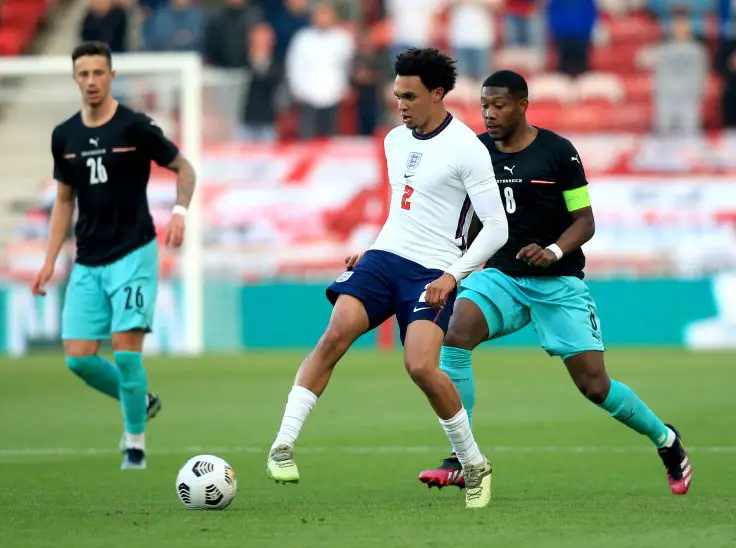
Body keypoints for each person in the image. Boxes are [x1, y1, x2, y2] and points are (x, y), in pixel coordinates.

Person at [417, 70, 692, 496]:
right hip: (503, 277)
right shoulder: (475, 152)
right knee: (454, 337)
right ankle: (462, 457)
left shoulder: (560, 153)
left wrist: (553, 252)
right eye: (485, 106)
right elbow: (464, 219)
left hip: (558, 283)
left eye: (499, 105)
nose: (489, 114)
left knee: (594, 386)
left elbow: (585, 221)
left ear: (523, 105)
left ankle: (666, 440)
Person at [265, 48, 509, 509]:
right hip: (384, 257)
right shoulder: (395, 141)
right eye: (397, 95)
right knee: (334, 335)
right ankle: (282, 444)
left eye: (410, 96)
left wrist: (453, 276)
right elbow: (405, 210)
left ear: (438, 94)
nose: (401, 105)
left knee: (420, 365)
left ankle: (473, 463)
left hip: (432, 270)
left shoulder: (468, 150)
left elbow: (497, 227)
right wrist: (373, 248)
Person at [31, 42, 197, 470]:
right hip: (87, 258)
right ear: (75, 78)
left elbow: (184, 168)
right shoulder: (63, 136)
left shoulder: (134, 127)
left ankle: (135, 445)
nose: (91, 81)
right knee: (79, 358)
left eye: (98, 73)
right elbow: (65, 200)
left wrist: (179, 212)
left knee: (125, 351)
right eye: (83, 73)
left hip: (134, 252)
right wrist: (50, 259)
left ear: (111, 75)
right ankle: (140, 400)